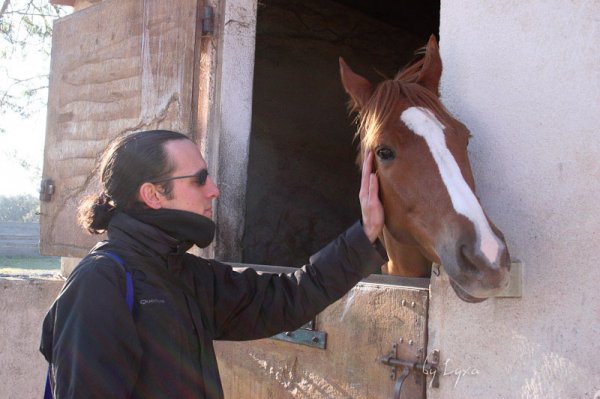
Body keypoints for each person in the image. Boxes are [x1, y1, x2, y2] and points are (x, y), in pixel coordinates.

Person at [40, 130, 386, 398]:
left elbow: (287, 297)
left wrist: (366, 233)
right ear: (153, 195)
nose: (215, 190)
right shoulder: (100, 283)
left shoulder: (184, 274)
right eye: (199, 179)